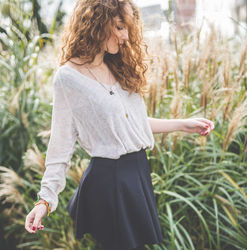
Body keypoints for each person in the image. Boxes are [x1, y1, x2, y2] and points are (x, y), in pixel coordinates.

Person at [25, 0, 214, 249]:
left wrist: (183, 124)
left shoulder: (117, 65)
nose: (125, 36)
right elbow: (61, 142)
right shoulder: (68, 78)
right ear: (96, 22)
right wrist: (45, 201)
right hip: (109, 182)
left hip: (136, 175)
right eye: (119, 27)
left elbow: (130, 125)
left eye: (127, 28)